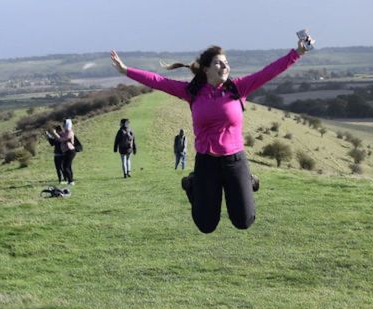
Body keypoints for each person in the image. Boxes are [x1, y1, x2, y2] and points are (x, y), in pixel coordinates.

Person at [110, 33, 313, 233]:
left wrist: (298, 52)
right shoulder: (192, 92)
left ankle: (248, 180)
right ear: (206, 69)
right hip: (207, 162)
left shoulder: (238, 88)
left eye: (226, 62)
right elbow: (158, 81)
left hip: (235, 160)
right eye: (218, 63)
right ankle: (191, 183)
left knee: (244, 221)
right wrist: (126, 70)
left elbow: (269, 71)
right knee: (206, 225)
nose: (225, 66)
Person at [52, 119, 76, 185]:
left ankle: (71, 181)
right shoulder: (66, 132)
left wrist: (54, 133)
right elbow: (60, 135)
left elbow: (61, 140)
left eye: (64, 124)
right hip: (67, 151)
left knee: (66, 167)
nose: (63, 125)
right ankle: (70, 180)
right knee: (68, 166)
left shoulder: (69, 132)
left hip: (70, 151)